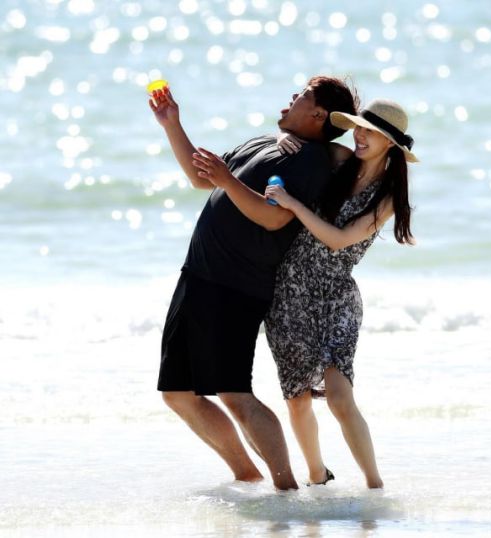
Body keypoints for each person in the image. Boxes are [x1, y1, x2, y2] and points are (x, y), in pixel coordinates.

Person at [149, 76, 358, 490]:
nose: (291, 97)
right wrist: (172, 123)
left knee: (234, 393)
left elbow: (275, 217)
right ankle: (246, 474)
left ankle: (285, 487)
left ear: (318, 114)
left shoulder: (310, 160)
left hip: (236, 285)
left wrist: (228, 179)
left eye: (301, 95)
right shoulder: (266, 141)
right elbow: (201, 178)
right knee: (177, 393)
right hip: (198, 275)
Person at [263, 99, 419, 488]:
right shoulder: (338, 159)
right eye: (359, 127)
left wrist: (292, 204)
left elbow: (338, 240)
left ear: (390, 143)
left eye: (371, 132)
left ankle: (375, 485)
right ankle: (317, 476)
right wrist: (282, 137)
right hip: (288, 292)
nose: (360, 136)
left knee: (339, 396)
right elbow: (298, 140)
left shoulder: (387, 198)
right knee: (297, 398)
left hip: (336, 297)